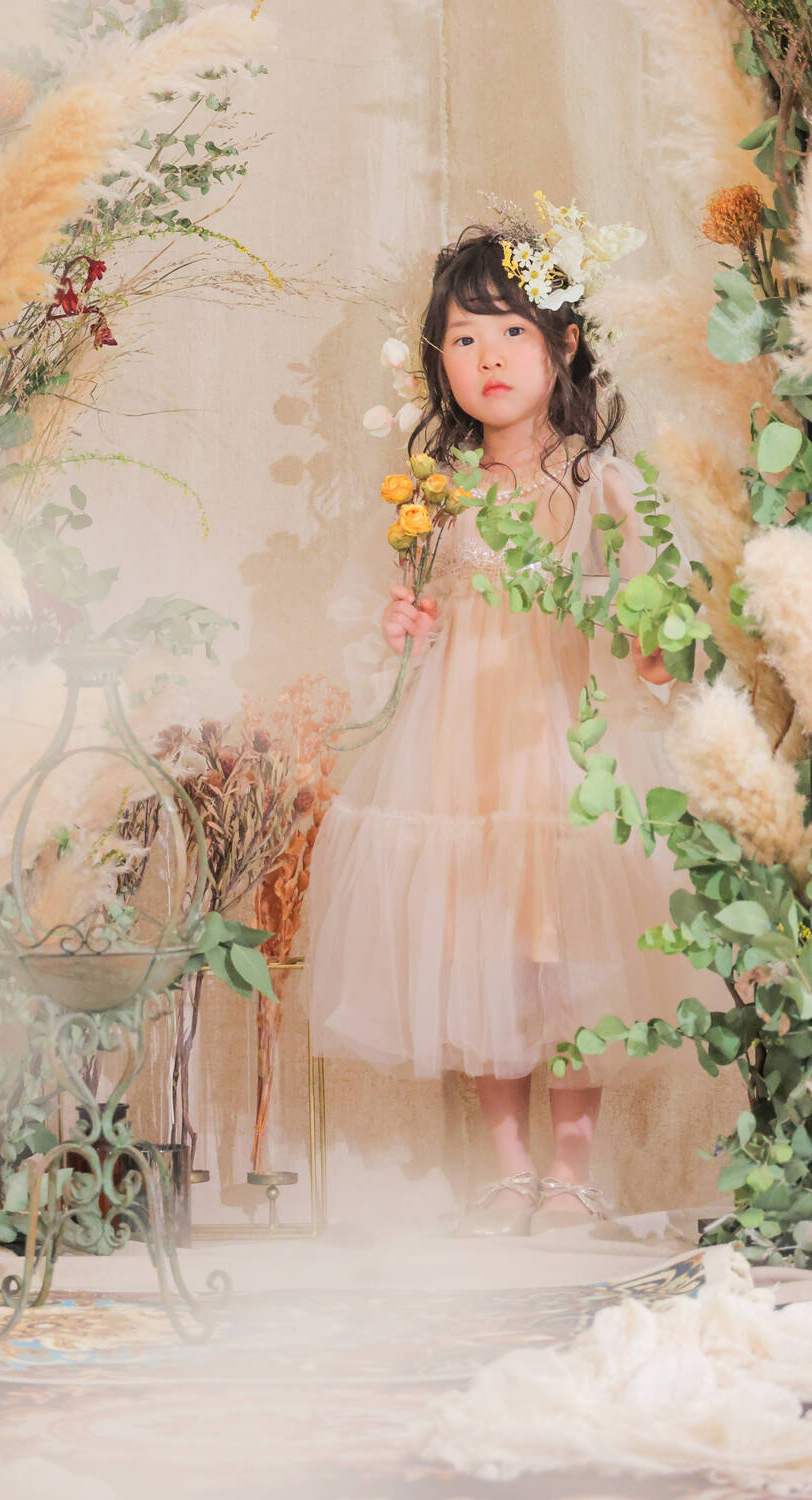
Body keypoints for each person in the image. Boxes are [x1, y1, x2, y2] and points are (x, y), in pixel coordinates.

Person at [306, 215, 697, 1235]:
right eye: (464, 338)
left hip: (564, 739)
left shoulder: (599, 480)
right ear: (438, 362)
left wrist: (651, 641)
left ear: (563, 342)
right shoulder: (436, 493)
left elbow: (656, 617)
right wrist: (402, 622)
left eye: (511, 332)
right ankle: (506, 1167)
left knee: (568, 945)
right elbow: (393, 612)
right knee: (477, 943)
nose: (488, 358)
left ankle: (571, 1169)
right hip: (460, 743)